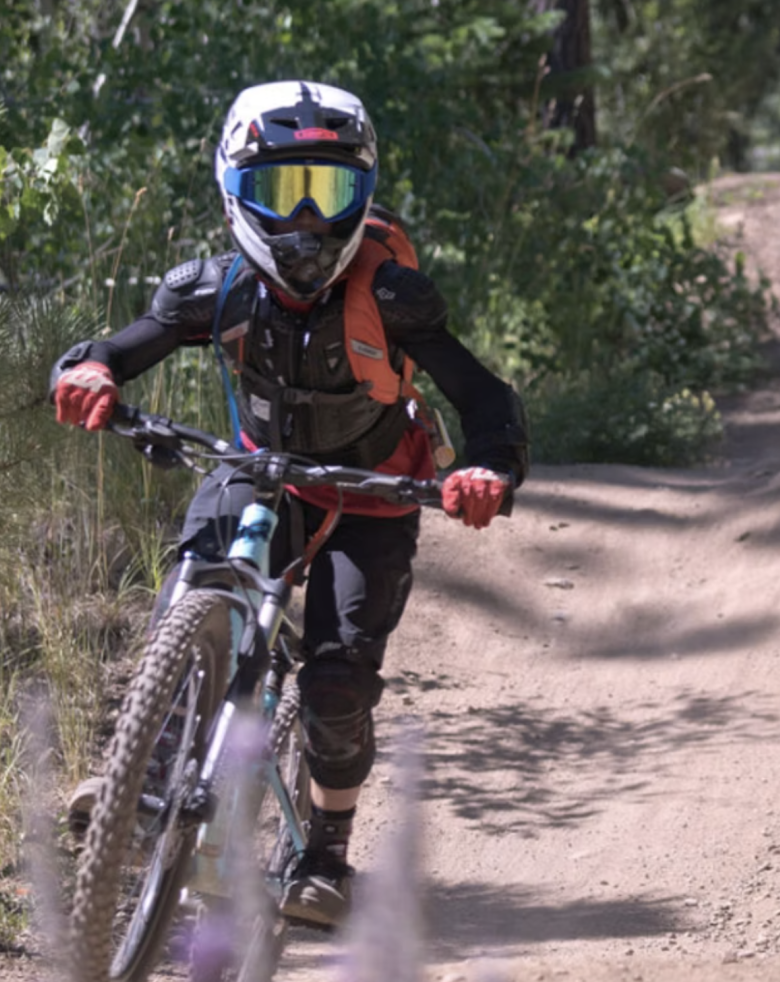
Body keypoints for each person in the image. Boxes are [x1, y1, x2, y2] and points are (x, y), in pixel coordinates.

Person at [50, 80, 530, 928]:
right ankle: (146, 773)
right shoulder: (215, 288)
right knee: (198, 576)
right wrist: (89, 373)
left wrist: (490, 469)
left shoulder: (393, 296)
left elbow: (484, 396)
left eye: (329, 192)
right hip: (261, 470)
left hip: (375, 493)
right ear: (236, 191)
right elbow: (120, 350)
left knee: (338, 686)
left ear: (364, 194)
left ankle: (326, 855)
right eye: (282, 192)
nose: (307, 222)